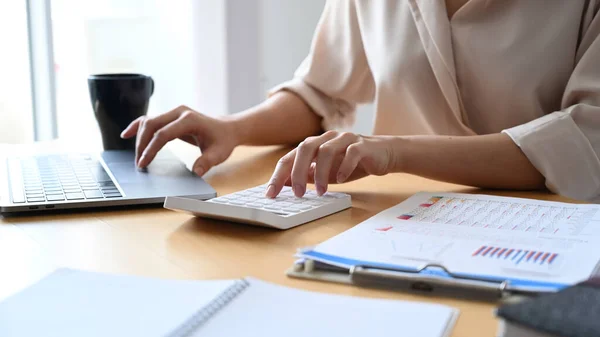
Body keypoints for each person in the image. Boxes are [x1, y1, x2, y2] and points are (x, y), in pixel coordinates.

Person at [121, 0, 600, 202]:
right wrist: (233, 128)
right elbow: (321, 91)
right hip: (404, 219)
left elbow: (585, 137)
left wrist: (389, 150)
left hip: (551, 231)